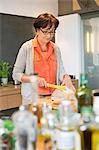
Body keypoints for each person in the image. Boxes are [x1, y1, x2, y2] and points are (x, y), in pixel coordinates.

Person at [13, 13, 75, 104]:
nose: (48, 36)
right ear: (37, 30)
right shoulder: (27, 48)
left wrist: (66, 78)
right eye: (45, 32)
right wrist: (34, 79)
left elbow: (61, 70)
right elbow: (16, 74)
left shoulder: (56, 49)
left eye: (51, 32)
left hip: (53, 97)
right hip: (32, 98)